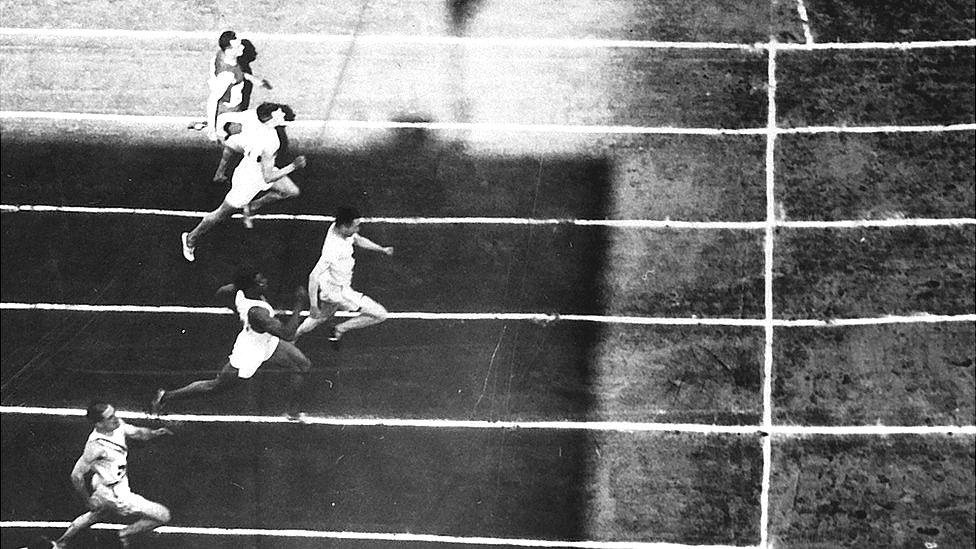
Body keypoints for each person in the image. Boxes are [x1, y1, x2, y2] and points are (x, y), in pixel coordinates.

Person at [151, 271, 313, 420]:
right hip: (249, 352)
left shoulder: (240, 293)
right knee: (215, 386)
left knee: (302, 364)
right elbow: (288, 333)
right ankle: (165, 396)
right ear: (251, 287)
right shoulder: (257, 312)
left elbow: (220, 293)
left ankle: (292, 411)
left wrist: (238, 312)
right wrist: (299, 304)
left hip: (267, 341)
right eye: (260, 282)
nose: (265, 281)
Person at [181, 102, 306, 262]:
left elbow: (224, 117)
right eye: (279, 113)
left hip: (254, 165)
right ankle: (191, 238)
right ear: (269, 118)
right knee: (220, 214)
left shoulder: (252, 116)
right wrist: (293, 166)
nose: (283, 115)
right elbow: (268, 177)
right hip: (249, 181)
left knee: (290, 191)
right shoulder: (271, 141)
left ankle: (252, 207)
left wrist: (218, 132)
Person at [52, 401, 173, 548]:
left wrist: (154, 433)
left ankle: (61, 542)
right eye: (110, 417)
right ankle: (124, 534)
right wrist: (87, 501)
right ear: (99, 424)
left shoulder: (116, 425)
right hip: (115, 494)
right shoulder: (95, 446)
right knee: (163, 515)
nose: (115, 419)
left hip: (106, 482)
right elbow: (76, 476)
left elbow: (137, 433)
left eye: (114, 414)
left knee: (97, 514)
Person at [296, 207, 393, 349]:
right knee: (380, 314)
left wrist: (381, 249)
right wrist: (313, 305)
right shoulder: (332, 250)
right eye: (355, 226)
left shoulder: (340, 230)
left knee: (320, 318)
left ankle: (294, 336)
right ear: (343, 226)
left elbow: (358, 240)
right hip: (338, 292)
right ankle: (338, 329)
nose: (357, 229)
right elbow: (313, 276)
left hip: (332, 285)